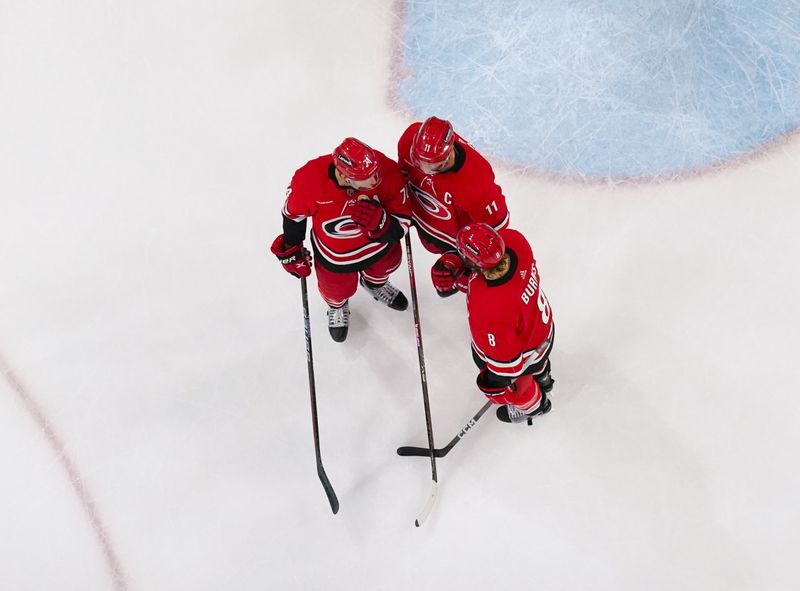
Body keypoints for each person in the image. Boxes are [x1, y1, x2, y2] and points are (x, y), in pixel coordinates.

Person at [270, 137, 412, 342]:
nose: (375, 181)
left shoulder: (386, 170)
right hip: (334, 256)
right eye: (367, 178)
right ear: (343, 175)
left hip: (379, 247)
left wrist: (382, 224)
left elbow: (403, 217)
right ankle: (337, 307)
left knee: (386, 266)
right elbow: (294, 214)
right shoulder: (310, 179)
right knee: (336, 289)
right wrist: (292, 246)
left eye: (374, 173)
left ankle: (375, 284)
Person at [447, 222, 555, 424]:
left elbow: (507, 366)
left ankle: (537, 407)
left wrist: (495, 382)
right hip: (542, 327)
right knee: (539, 367)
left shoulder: (489, 307)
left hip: (526, 353)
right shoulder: (516, 241)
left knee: (519, 388)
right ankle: (544, 379)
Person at [397, 116, 510, 297]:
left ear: (448, 153)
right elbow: (401, 176)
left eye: (432, 165)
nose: (422, 168)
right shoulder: (410, 139)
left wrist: (459, 259)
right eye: (419, 161)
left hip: (457, 239)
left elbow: (496, 231)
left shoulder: (476, 181)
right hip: (424, 221)